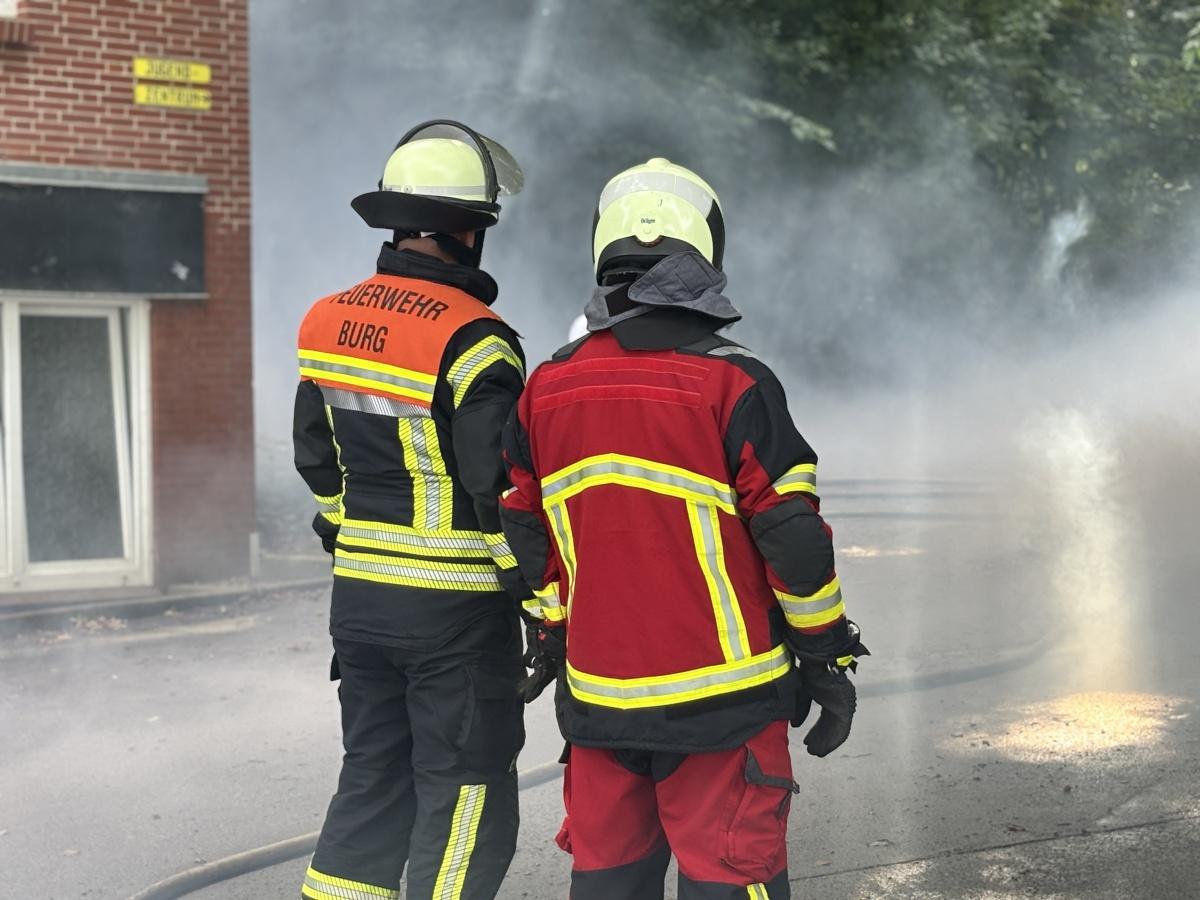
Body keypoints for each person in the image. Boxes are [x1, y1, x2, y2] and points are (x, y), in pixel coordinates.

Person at [499, 158, 867, 899]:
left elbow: (529, 534)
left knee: (609, 884)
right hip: (725, 714)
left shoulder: (546, 388)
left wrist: (549, 637)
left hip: (600, 706)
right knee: (729, 882)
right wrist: (827, 658)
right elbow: (792, 539)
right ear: (705, 256)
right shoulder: (734, 384)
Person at [293, 120, 531, 900]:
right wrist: (537, 593)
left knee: (372, 776)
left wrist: (349, 529)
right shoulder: (478, 342)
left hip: (358, 605)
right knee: (464, 791)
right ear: (469, 231)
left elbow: (316, 462)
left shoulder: (325, 321)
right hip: (454, 615)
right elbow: (496, 489)